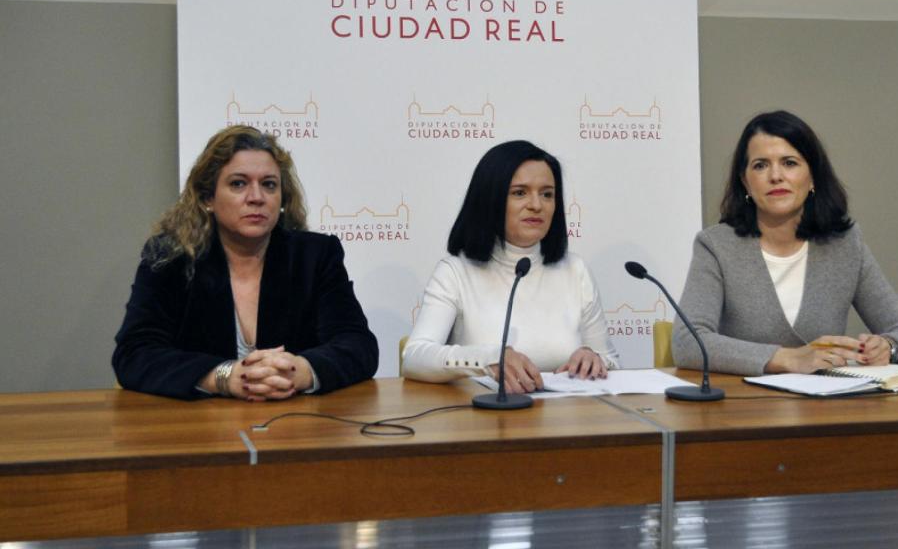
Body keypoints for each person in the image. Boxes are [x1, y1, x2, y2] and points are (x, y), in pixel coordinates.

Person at [112, 125, 378, 400]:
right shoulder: (171, 257)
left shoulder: (315, 256)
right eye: (238, 184)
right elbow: (134, 354)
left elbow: (358, 345)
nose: (256, 197)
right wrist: (224, 377)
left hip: (295, 424)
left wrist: (299, 371)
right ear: (207, 199)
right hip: (199, 430)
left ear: (282, 199)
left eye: (269, 185)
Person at [673, 110, 898, 376]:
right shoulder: (716, 246)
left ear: (813, 176)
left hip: (823, 409)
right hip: (743, 409)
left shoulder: (844, 245)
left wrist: (889, 347)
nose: (776, 176)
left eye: (790, 163)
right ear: (746, 182)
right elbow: (687, 342)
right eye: (760, 165)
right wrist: (786, 359)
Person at [402, 140, 619, 393]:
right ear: (490, 199)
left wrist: (593, 359)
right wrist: (489, 359)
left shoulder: (575, 269)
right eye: (519, 192)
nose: (536, 204)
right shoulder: (455, 272)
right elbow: (414, 358)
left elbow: (611, 361)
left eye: (547, 194)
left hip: (562, 422)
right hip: (482, 421)